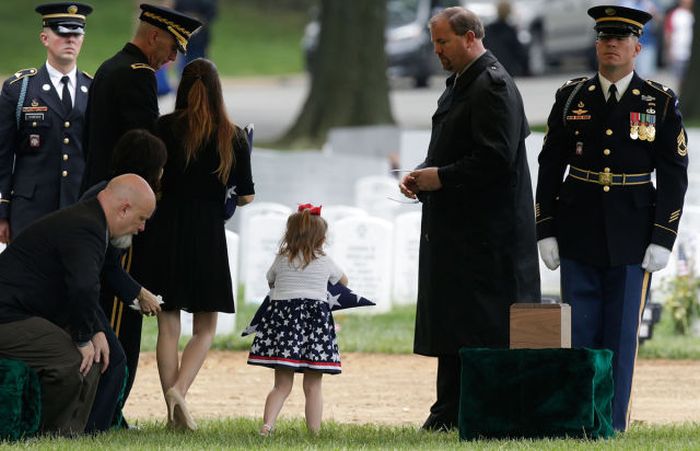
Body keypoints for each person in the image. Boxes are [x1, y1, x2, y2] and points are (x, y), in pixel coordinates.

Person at [535, 5, 688, 432]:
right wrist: (545, 228)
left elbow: (674, 174)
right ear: (596, 44)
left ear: (638, 47)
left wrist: (663, 236)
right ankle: (580, 419)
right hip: (578, 226)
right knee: (580, 331)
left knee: (620, 336)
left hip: (633, 234)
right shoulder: (571, 97)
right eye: (604, 38)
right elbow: (550, 166)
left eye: (620, 39)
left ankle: (612, 423)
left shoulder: (658, 101)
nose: (611, 45)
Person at [399, 6, 540, 432]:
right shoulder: (463, 82)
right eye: (434, 42)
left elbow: (495, 160)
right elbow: (454, 145)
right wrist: (423, 174)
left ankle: (474, 412)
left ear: (470, 37)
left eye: (443, 42)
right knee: (455, 321)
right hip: (463, 231)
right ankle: (448, 409)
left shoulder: (492, 85)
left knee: (481, 327)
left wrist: (439, 178)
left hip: (488, 236)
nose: (437, 51)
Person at [129, 58, 255, 430]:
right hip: (207, 234)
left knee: (168, 327)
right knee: (204, 330)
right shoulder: (231, 136)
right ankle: (179, 393)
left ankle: (173, 414)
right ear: (218, 91)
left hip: (164, 230)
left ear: (182, 87)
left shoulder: (162, 128)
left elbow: (151, 180)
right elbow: (245, 197)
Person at [0, 174, 156, 436]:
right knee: (72, 360)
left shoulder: (90, 220)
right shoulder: (86, 226)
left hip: (22, 313)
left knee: (93, 358)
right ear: (124, 208)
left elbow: (79, 288)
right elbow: (83, 287)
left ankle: (75, 432)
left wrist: (93, 331)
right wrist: (84, 338)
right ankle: (48, 434)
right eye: (141, 219)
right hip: (7, 316)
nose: (141, 228)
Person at [81, 129, 167, 429]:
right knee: (115, 360)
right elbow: (108, 266)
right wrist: (137, 292)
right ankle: (98, 427)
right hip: (88, 295)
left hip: (89, 289)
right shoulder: (111, 203)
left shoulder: (102, 191)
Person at [247, 204, 348, 435]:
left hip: (284, 326)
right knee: (313, 385)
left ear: (289, 234)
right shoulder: (325, 260)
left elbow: (270, 281)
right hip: (316, 328)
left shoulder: (282, 259)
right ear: (321, 238)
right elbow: (344, 281)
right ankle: (314, 432)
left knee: (281, 385)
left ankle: (267, 426)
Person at [80, 3, 202, 192]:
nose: (173, 58)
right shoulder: (139, 74)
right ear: (154, 37)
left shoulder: (111, 65)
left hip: (96, 187)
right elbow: (146, 147)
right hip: (119, 195)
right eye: (173, 48)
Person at [0, 2, 93, 243]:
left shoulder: (93, 89)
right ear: (44, 37)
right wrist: (2, 210)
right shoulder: (20, 89)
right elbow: (3, 155)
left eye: (77, 33)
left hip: (78, 207)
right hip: (30, 211)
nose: (70, 39)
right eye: (63, 32)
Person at [483, 1, 527, 76]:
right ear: (509, 12)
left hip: (490, 67)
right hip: (506, 69)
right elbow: (520, 52)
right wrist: (525, 69)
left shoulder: (488, 29)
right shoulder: (510, 31)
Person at [664, 0, 694, 82]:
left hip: (691, 53)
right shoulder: (674, 14)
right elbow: (668, 33)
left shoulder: (693, 14)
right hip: (678, 53)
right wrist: (669, 50)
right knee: (678, 79)